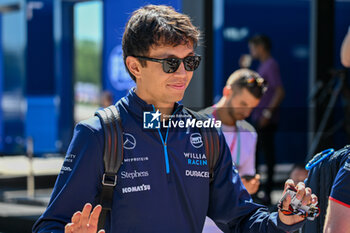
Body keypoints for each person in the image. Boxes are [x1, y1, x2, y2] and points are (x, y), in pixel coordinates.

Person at [33, 5, 317, 233]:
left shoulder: (206, 134)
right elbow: (50, 225)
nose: (183, 73)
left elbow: (240, 219)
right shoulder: (98, 134)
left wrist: (283, 219)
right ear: (135, 66)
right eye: (170, 63)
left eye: (190, 61)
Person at [201, 68, 265, 195]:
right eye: (243, 104)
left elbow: (247, 179)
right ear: (227, 92)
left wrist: (249, 186)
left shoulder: (250, 133)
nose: (247, 113)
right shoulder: (197, 125)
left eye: (252, 107)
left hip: (231, 212)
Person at [242, 35, 285, 205]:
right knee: (257, 155)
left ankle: (265, 193)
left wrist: (267, 114)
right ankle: (258, 191)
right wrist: (245, 68)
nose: (251, 51)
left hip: (265, 120)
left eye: (252, 47)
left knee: (267, 155)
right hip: (259, 118)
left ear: (260, 47)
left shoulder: (271, 65)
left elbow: (280, 91)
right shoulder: (262, 65)